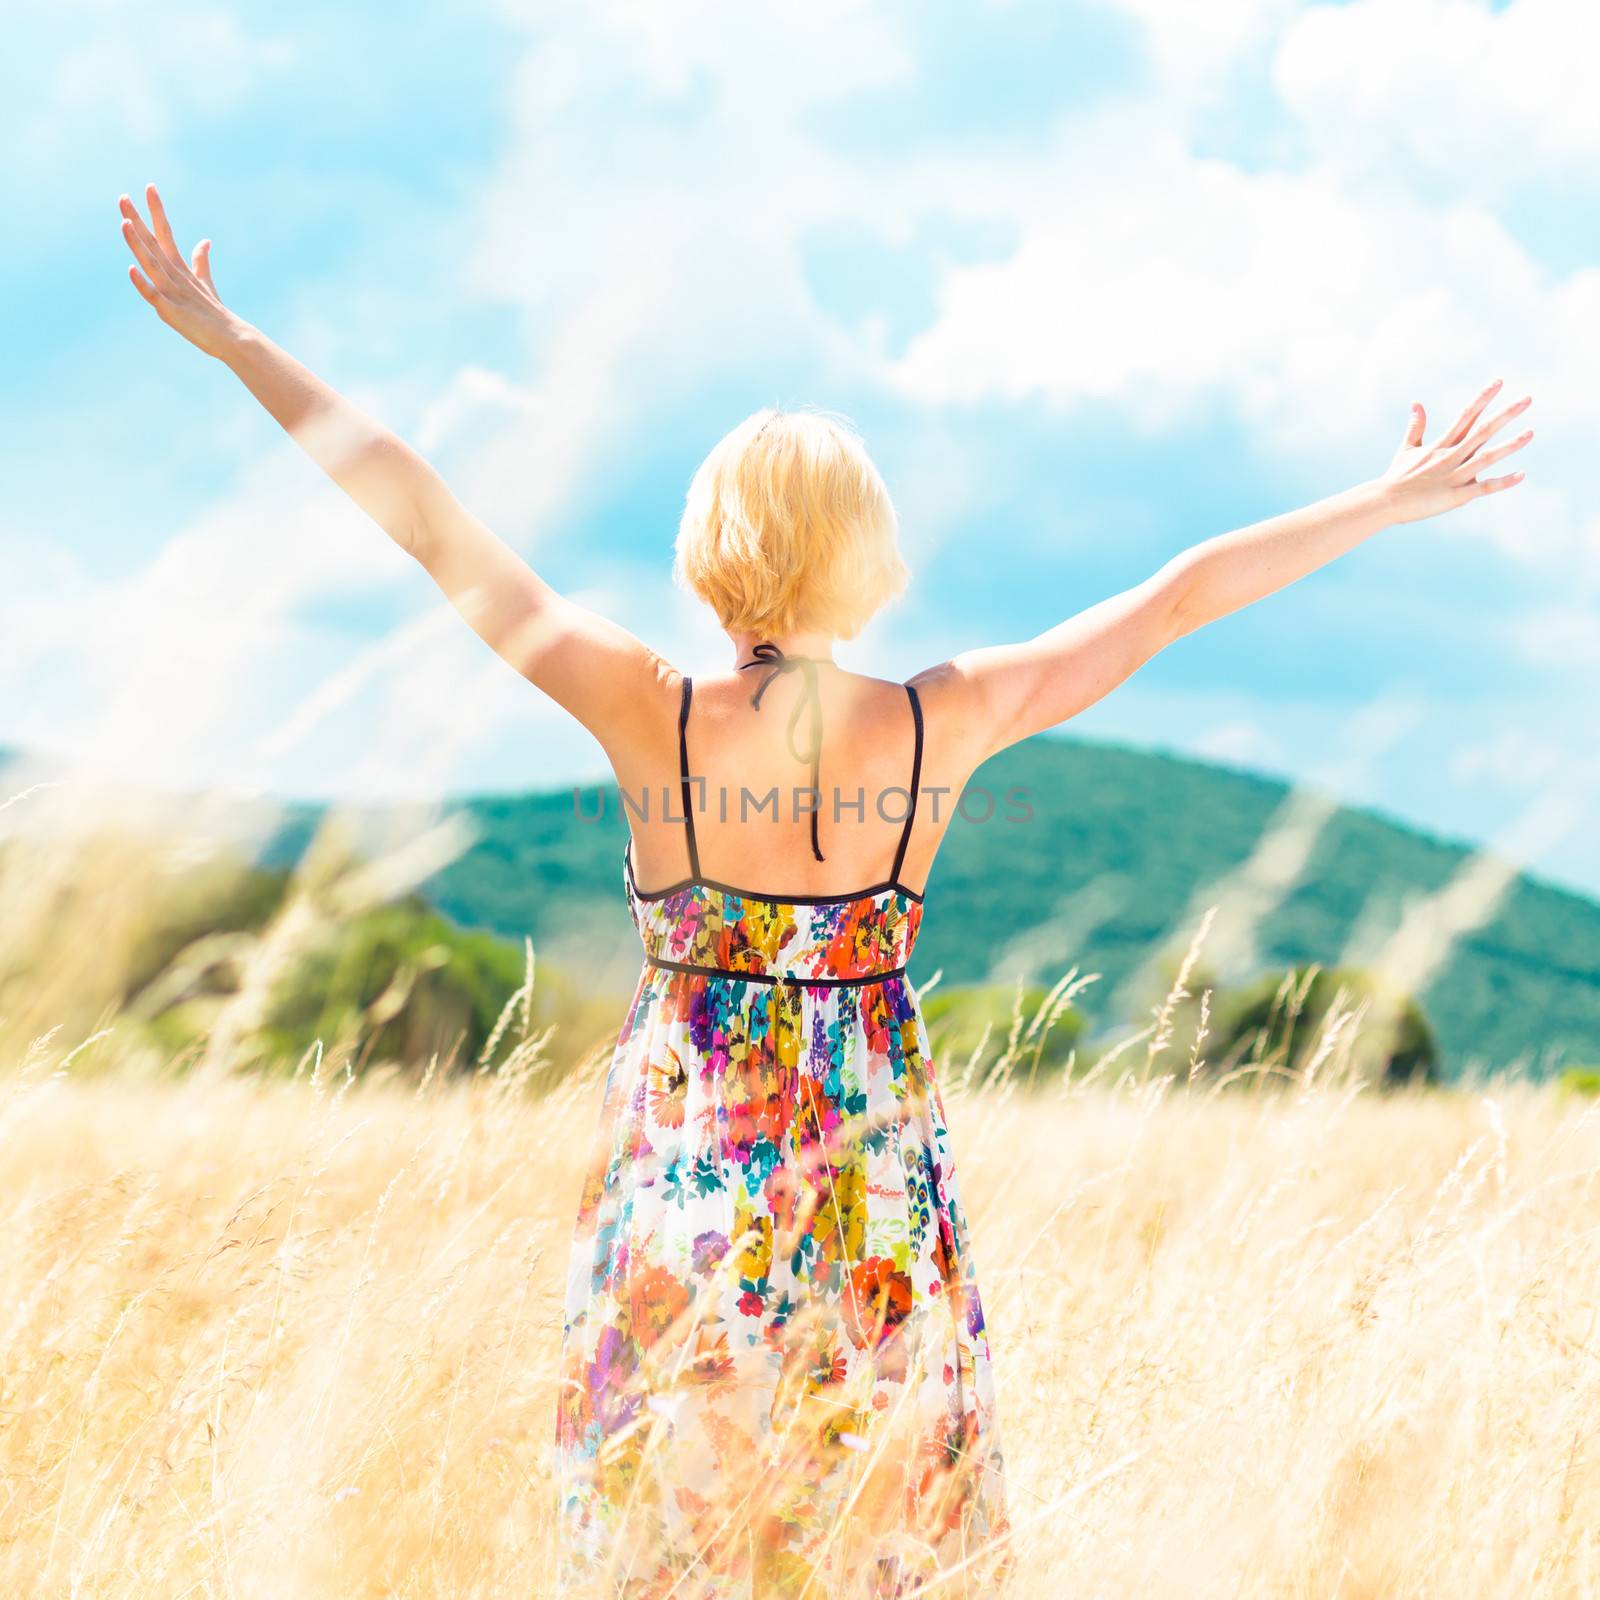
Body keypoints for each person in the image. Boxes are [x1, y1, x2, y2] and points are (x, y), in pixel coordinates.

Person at [119, 184, 1533, 1596]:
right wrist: (1385, 500)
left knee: (678, 1545)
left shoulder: (648, 713)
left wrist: (238, 339)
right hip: (876, 1195)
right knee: (879, 1537)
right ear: (863, 550)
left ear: (710, 541)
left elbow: (430, 524)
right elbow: (1174, 597)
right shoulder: (942, 719)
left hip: (691, 1199)